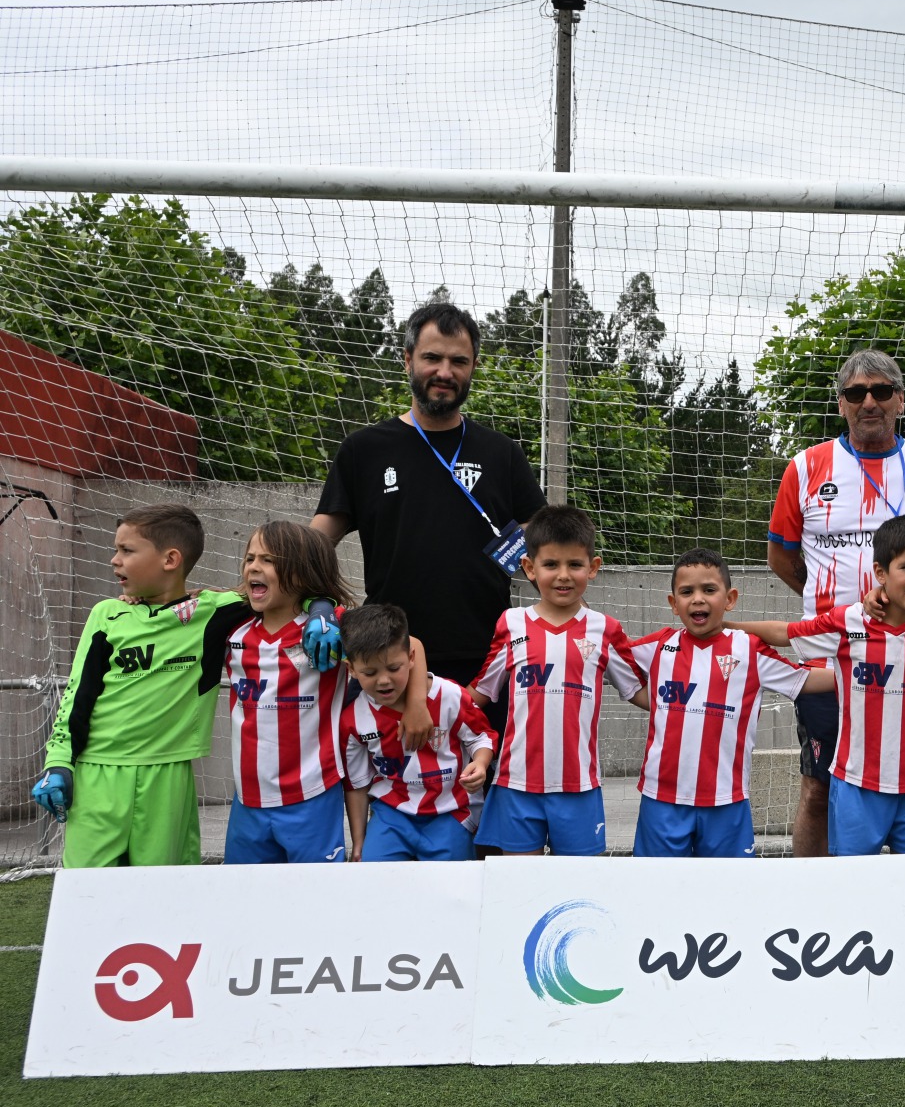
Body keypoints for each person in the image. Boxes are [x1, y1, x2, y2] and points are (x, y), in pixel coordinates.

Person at [765, 348, 905, 857]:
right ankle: (817, 898)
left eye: (881, 391)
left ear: (901, 399)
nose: (869, 402)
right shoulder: (805, 467)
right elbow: (781, 558)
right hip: (828, 659)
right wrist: (831, 607)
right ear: (841, 403)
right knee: (817, 788)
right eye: (856, 393)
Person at [312, 301, 548, 699]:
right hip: (390, 662)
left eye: (459, 361)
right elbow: (315, 544)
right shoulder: (363, 450)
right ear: (407, 359)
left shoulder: (501, 453)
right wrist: (318, 603)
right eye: (432, 358)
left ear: (474, 366)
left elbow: (542, 540)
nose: (445, 372)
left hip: (487, 664)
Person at [33, 506, 257, 867]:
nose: (114, 559)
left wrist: (320, 608)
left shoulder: (213, 612)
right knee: (88, 889)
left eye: (127, 550)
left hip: (167, 776)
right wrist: (59, 763)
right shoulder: (108, 614)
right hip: (96, 775)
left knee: (163, 892)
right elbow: (78, 694)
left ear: (170, 559)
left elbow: (288, 588)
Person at [743, 516, 905, 857]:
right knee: (853, 881)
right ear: (880, 572)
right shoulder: (850, 621)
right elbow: (786, 632)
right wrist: (726, 626)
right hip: (856, 784)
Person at [221, 522, 421, 864]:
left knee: (315, 892)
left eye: (268, 560)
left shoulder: (331, 627)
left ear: (303, 572)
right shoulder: (231, 630)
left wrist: (416, 705)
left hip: (312, 793)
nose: (253, 566)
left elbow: (410, 643)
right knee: (244, 892)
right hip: (248, 800)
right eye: (250, 558)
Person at [622, 549, 834, 858]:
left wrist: (860, 675)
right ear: (673, 603)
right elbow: (605, 656)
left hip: (726, 801)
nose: (698, 599)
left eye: (709, 590)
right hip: (661, 799)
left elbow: (803, 679)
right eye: (687, 592)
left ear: (730, 598)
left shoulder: (749, 649)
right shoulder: (656, 646)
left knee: (731, 885)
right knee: (659, 885)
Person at [470, 506, 644, 857]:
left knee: (576, 884)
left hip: (579, 787)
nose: (563, 575)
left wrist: (701, 697)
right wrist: (425, 702)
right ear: (529, 567)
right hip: (516, 784)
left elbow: (640, 693)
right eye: (551, 564)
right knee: (520, 883)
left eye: (574, 565)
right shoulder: (511, 623)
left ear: (592, 568)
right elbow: (479, 693)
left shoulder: (605, 629)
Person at [339, 604, 495, 863]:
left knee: (452, 883)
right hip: (391, 814)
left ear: (411, 657)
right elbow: (357, 783)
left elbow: (482, 737)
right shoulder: (352, 719)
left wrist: (480, 763)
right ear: (352, 669)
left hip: (450, 811)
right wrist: (358, 842)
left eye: (393, 668)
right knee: (373, 874)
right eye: (370, 672)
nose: (384, 680)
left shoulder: (449, 695)